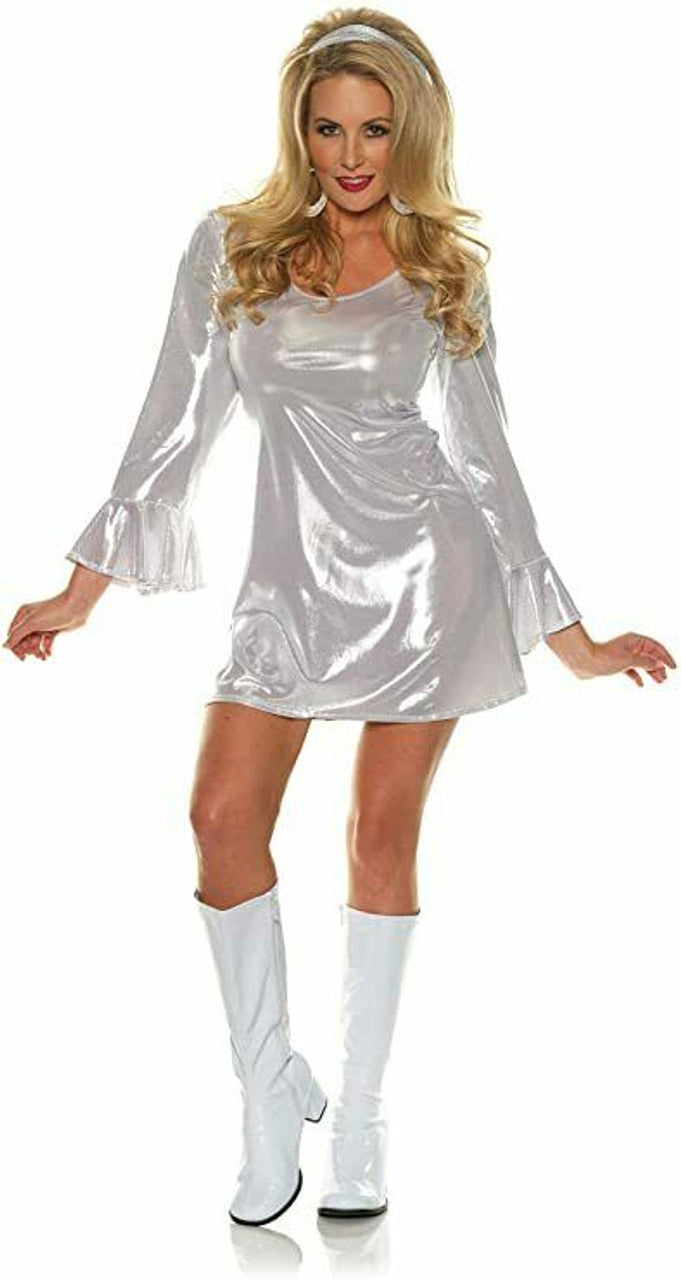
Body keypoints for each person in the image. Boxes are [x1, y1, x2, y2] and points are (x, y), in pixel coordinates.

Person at [3, 8, 675, 1230]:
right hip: (287, 584)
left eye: (374, 129)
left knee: (378, 835)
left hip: (427, 577)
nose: (352, 154)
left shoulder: (442, 267)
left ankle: (359, 1116)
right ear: (299, 133)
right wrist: (81, 591)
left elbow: (486, 452)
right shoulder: (234, 246)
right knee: (220, 817)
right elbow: (173, 421)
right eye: (329, 129)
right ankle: (269, 1092)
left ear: (409, 133)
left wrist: (569, 635)